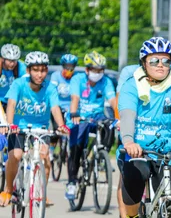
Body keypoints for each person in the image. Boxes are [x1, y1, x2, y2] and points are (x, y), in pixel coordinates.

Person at [117, 37, 171, 218]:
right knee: (135, 172)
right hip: (139, 151)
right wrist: (128, 141)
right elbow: (127, 116)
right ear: (144, 63)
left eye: (166, 61)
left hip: (170, 153)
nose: (161, 65)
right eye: (154, 61)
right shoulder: (131, 85)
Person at [0, 52, 69, 207]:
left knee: (45, 157)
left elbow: (55, 108)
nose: (40, 74)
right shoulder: (18, 84)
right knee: (16, 155)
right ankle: (9, 189)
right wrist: (10, 125)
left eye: (43, 70)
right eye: (36, 70)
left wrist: (61, 125)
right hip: (19, 128)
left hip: (40, 128)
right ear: (28, 70)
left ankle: (42, 193)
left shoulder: (50, 88)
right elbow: (11, 104)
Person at [65, 51, 117, 200]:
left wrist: (120, 116)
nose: (98, 73)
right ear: (87, 70)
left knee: (110, 125)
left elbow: (113, 101)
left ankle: (101, 156)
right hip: (79, 117)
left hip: (96, 116)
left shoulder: (106, 81)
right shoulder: (77, 80)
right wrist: (74, 113)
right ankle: (72, 182)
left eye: (101, 70)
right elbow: (75, 98)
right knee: (76, 146)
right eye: (94, 70)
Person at [0, 44, 27, 111]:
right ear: (3, 59)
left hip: (14, 101)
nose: (12, 64)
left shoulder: (22, 67)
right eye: (10, 61)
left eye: (14, 61)